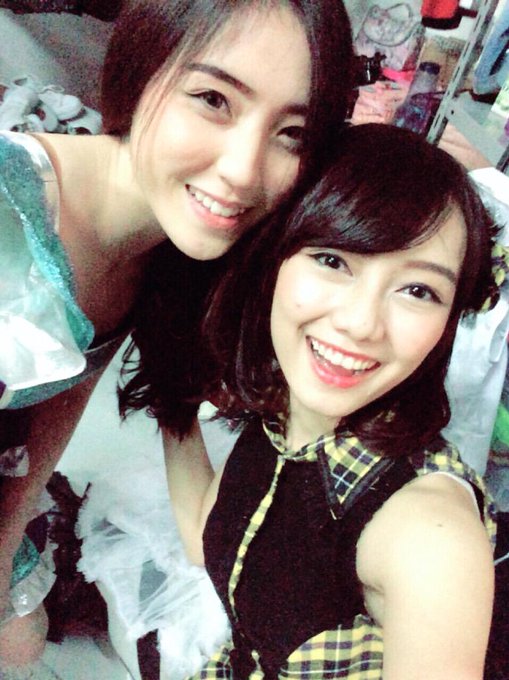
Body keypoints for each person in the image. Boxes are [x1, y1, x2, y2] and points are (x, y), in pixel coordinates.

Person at [0, 0, 354, 671]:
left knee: (20, 640)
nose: (244, 170)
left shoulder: (159, 248)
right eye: (214, 100)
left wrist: (10, 532)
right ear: (141, 70)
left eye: (292, 133)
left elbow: (68, 391)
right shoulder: (11, 218)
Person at [166, 123, 502, 679]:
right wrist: (170, 397)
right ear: (275, 258)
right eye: (333, 260)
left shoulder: (430, 537)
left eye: (418, 291)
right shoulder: (286, 412)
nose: (361, 324)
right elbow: (210, 540)